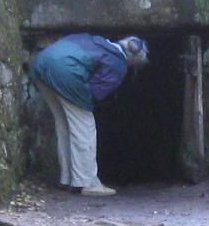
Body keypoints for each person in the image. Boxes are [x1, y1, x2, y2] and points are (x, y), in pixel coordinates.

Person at [28, 33, 148, 196]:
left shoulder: (95, 40)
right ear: (133, 61)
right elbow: (96, 92)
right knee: (84, 127)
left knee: (63, 124)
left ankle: (67, 178)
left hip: (39, 63)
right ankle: (86, 182)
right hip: (65, 71)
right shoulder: (118, 63)